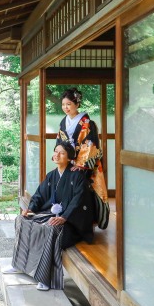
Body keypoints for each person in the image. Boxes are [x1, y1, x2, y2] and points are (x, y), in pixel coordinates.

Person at [4, 141, 96, 291]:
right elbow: (40, 195)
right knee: (22, 220)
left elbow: (78, 200)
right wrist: (30, 208)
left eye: (62, 153)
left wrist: (64, 217)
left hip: (70, 223)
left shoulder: (77, 176)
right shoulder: (52, 175)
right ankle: (19, 264)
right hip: (50, 214)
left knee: (50, 229)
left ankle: (45, 278)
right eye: (55, 152)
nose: (57, 155)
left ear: (69, 157)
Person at [56, 88, 108, 219]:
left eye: (69, 104)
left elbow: (90, 144)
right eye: (63, 104)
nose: (65, 107)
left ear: (77, 104)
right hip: (68, 161)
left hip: (84, 164)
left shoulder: (87, 123)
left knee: (84, 188)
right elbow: (60, 142)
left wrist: (80, 164)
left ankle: (84, 220)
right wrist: (61, 157)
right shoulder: (63, 122)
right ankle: (65, 216)